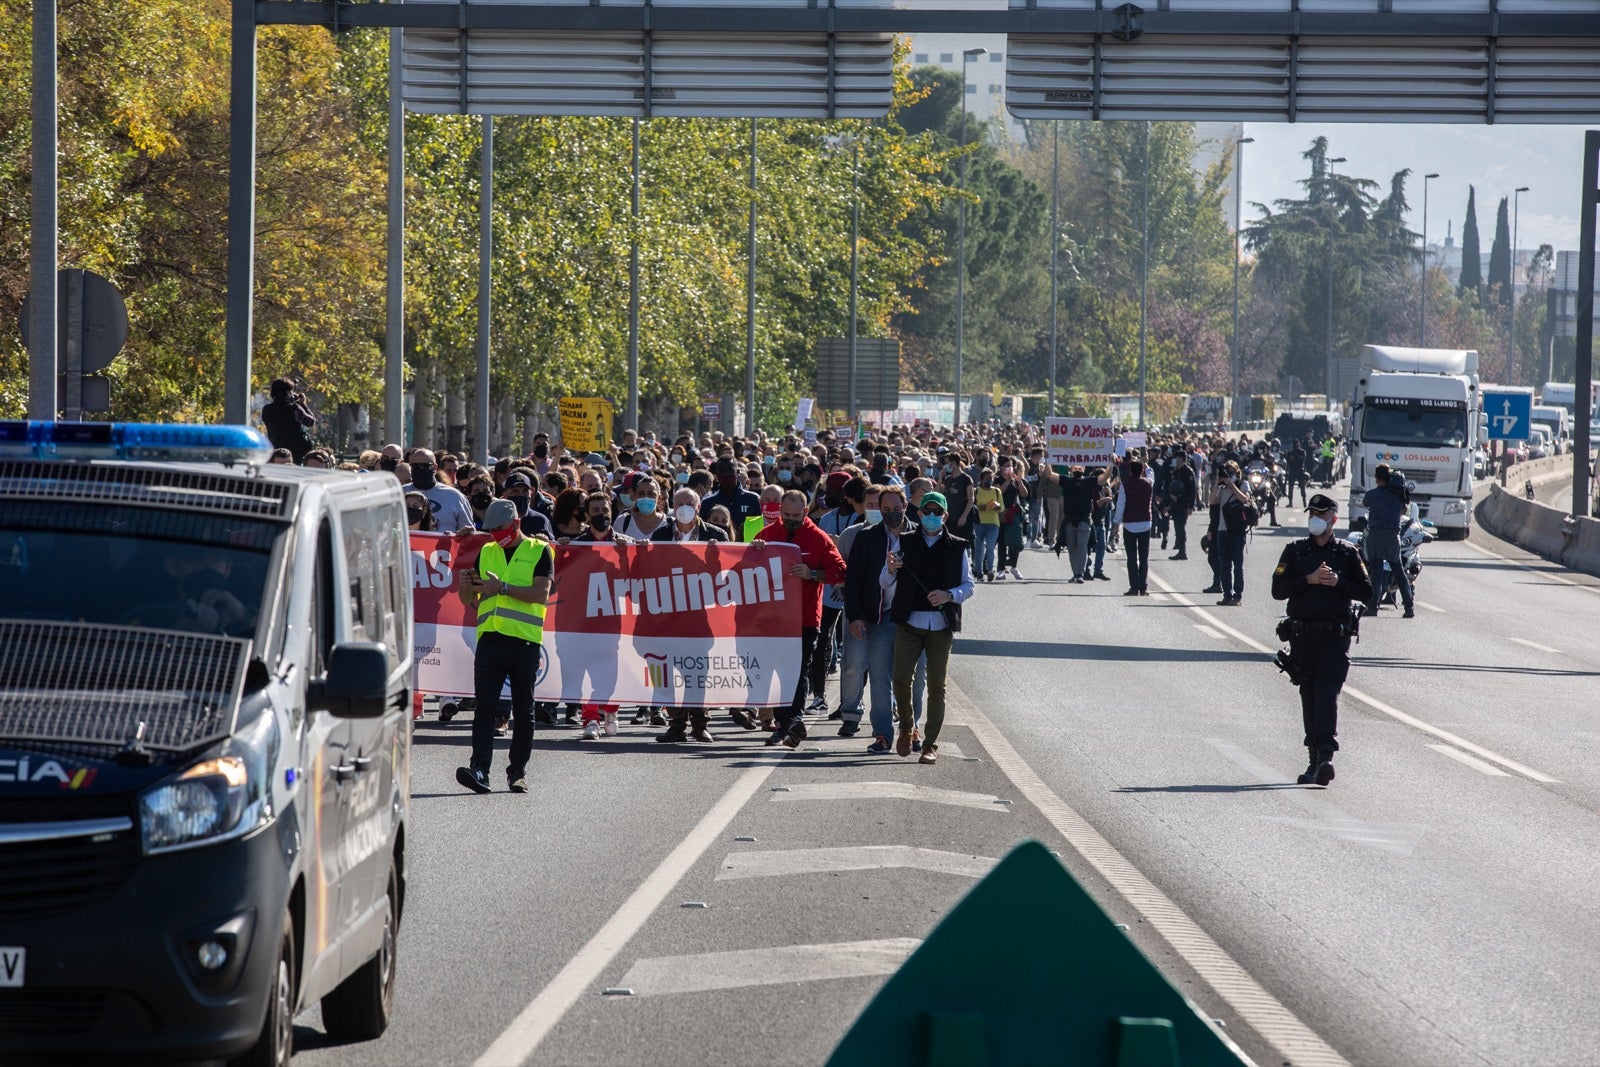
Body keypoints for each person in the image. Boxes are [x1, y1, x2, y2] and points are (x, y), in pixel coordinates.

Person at [1270, 494, 1373, 786]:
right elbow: (1278, 590)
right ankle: (1314, 759)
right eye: (1312, 513)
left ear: (1333, 520)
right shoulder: (1295, 552)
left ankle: (1326, 755)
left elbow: (1367, 592)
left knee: (1327, 692)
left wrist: (1338, 582)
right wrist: (1308, 581)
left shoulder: (1346, 553)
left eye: (1321, 514)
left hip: (1334, 635)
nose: (1315, 518)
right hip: (1302, 634)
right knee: (1309, 693)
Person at [454, 499, 553, 794]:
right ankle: (479, 769)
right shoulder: (486, 551)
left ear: (516, 523)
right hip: (490, 640)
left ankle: (517, 772)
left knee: (524, 710)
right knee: (484, 708)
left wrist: (504, 589)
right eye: (492, 530)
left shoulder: (539, 551)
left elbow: (541, 594)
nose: (496, 534)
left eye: (501, 529)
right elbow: (464, 598)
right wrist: (466, 583)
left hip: (524, 641)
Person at [751, 489, 847, 749]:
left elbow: (839, 571)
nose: (790, 520)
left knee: (797, 670)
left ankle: (792, 719)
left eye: (796, 515)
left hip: (805, 619)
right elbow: (744, 569)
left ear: (806, 512)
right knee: (776, 672)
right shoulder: (768, 535)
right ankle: (787, 723)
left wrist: (813, 573)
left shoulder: (819, 538)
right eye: (786, 515)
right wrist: (755, 550)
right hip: (772, 620)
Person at [884, 491, 973, 765]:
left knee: (937, 686)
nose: (932, 516)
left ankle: (931, 744)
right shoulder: (905, 541)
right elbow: (884, 582)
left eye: (938, 512)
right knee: (900, 678)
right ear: (919, 514)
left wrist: (949, 595)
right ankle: (907, 727)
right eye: (927, 511)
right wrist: (889, 569)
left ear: (945, 516)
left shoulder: (958, 546)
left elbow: (969, 585)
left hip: (941, 625)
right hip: (909, 622)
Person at [650, 488, 731, 743]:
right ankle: (676, 724)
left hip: (701, 617)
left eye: (689, 503)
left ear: (698, 507)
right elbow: (650, 570)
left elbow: (730, 573)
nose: (684, 507)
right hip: (669, 614)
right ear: (673, 506)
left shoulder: (716, 535)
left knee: (696, 672)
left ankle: (699, 724)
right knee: (669, 672)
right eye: (679, 503)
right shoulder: (662, 534)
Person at [1361, 465, 1416, 618]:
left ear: (1376, 477)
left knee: (1377, 572)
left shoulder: (1371, 494)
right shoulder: (1398, 496)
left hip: (1376, 534)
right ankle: (1409, 608)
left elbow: (1365, 503)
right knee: (1399, 571)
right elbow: (1404, 510)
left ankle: (1373, 607)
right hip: (1393, 536)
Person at [404, 448, 476, 534]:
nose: (419, 470)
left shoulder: (455, 497)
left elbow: (467, 533)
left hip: (442, 546)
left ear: (434, 467)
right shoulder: (399, 493)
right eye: (414, 466)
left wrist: (461, 533)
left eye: (423, 466)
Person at [1214, 460, 1252, 606]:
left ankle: (1237, 595)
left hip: (1237, 530)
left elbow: (1245, 499)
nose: (1228, 474)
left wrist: (1231, 484)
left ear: (1237, 472)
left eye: (1231, 471)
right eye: (1226, 471)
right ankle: (1227, 594)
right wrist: (1217, 481)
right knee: (1225, 565)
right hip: (1223, 529)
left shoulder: (1243, 484)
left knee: (1237, 564)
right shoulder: (1222, 487)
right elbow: (1213, 501)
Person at [1113, 458, 1154, 596]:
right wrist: (1147, 466)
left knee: (1131, 558)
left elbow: (1120, 506)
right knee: (1144, 558)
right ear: (1141, 471)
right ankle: (1143, 587)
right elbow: (1151, 475)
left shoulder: (1125, 485)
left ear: (1130, 470)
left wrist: (1116, 524)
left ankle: (1134, 587)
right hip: (1145, 523)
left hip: (1130, 524)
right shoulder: (1148, 483)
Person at [260, 377, 316, 463]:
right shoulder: (294, 408)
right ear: (288, 392)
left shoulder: (267, 409)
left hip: (275, 451)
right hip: (295, 454)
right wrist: (303, 404)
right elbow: (311, 421)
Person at [971, 467, 1002, 581]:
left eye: (991, 478)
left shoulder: (996, 491)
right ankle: (978, 572)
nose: (989, 480)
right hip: (979, 523)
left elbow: (1001, 508)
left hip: (993, 523)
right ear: (981, 479)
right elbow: (972, 505)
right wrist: (980, 507)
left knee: (990, 547)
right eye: (986, 479)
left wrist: (996, 506)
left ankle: (989, 570)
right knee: (979, 548)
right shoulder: (976, 491)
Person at [1166, 450, 1197, 560]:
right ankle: (1180, 547)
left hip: (1184, 503)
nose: (1176, 460)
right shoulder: (1175, 471)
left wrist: (1191, 506)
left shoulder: (1188, 472)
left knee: (1181, 526)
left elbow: (1192, 490)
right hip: (1175, 503)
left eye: (1179, 458)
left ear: (1183, 459)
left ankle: (1182, 551)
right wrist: (1170, 501)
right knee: (1176, 526)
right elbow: (1171, 486)